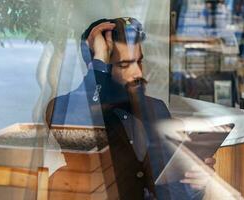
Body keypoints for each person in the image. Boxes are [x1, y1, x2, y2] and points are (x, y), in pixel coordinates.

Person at [46, 17, 215, 200]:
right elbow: (75, 127)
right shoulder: (63, 109)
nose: (138, 73)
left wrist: (194, 185)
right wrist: (98, 64)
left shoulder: (156, 109)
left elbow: (169, 192)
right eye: (124, 65)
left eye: (139, 62)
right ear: (97, 66)